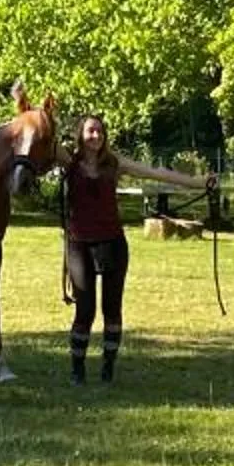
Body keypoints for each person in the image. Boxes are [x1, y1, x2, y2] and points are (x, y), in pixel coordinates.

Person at [57, 114, 214, 385]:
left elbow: (157, 173)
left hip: (112, 242)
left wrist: (199, 183)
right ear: (80, 134)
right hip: (79, 244)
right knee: (85, 309)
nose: (96, 136)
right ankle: (77, 370)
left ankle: (108, 368)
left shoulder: (115, 163)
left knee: (112, 307)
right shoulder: (68, 160)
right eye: (91, 131)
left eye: (100, 131)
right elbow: (39, 138)